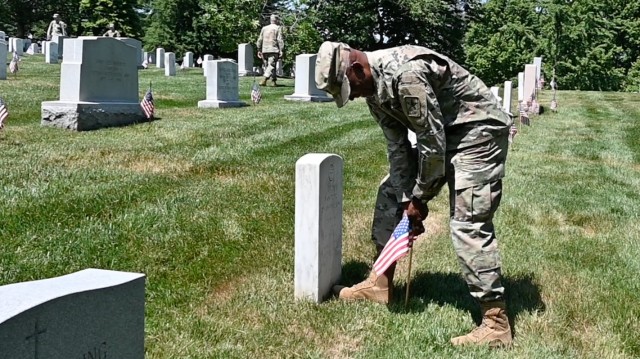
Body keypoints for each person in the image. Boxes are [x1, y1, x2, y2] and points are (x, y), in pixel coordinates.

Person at [315, 41, 513, 348]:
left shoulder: (405, 75)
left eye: (348, 88)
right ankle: (379, 284)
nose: (351, 96)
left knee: (468, 220)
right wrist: (406, 197)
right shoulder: (373, 90)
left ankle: (496, 323)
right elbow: (398, 148)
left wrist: (419, 199)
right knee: (390, 193)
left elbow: (431, 142)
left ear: (356, 69)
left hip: (478, 132)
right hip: (445, 133)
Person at [256, 14, 284, 86]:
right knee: (271, 65)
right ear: (276, 20)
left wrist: (259, 49)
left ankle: (273, 81)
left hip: (265, 49)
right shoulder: (277, 28)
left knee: (269, 66)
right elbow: (279, 39)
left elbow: (260, 39)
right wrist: (281, 49)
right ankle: (264, 79)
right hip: (273, 49)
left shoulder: (264, 28)